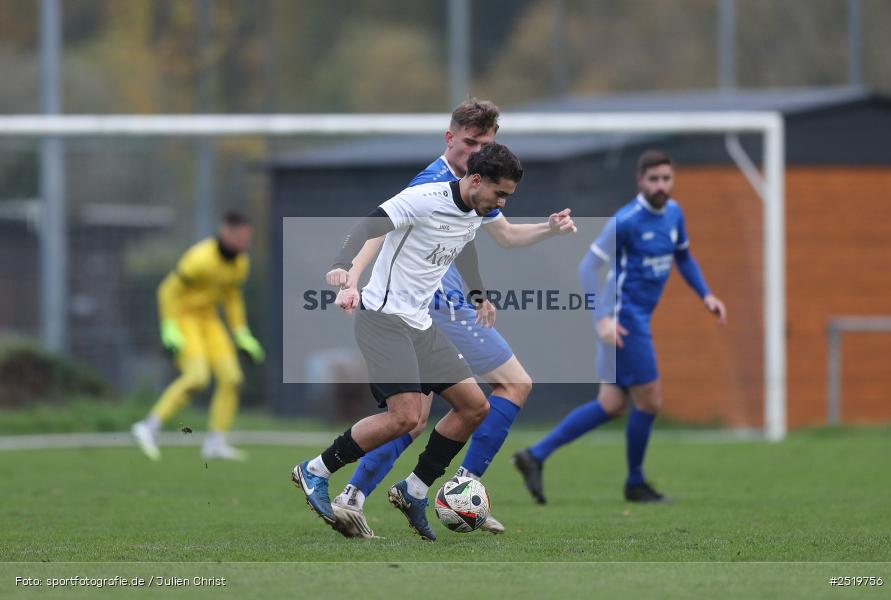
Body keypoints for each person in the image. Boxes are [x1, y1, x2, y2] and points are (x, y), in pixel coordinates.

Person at [328, 99, 576, 538]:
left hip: (445, 305)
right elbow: (378, 230)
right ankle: (461, 490)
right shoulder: (435, 182)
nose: (475, 150)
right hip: (433, 307)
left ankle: (354, 496)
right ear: (450, 139)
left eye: (485, 143)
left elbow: (497, 236)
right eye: (469, 142)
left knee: (414, 415)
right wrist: (352, 276)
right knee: (512, 384)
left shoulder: (478, 183)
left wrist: (547, 230)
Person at [292, 142, 524, 541]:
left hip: (419, 322)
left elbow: (462, 249)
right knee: (405, 417)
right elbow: (370, 224)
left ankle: (413, 490)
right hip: (383, 318)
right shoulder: (423, 198)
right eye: (499, 193)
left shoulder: (474, 212)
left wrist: (479, 295)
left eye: (507, 196)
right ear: (475, 179)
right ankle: (315, 470)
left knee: (474, 407)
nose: (501, 202)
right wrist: (342, 268)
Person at [514, 150, 726, 504]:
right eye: (654, 179)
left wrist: (707, 295)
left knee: (611, 403)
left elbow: (683, 257)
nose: (661, 185)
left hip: (634, 319)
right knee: (650, 401)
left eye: (666, 179)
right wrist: (603, 320)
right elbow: (587, 268)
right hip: (625, 321)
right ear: (640, 180)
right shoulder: (626, 221)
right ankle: (635, 483)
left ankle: (535, 455)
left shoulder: (674, 215)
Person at [131, 211, 265, 461]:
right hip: (184, 318)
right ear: (225, 233)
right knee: (197, 377)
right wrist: (169, 327)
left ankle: (215, 442)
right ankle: (148, 427)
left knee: (232, 378)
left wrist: (241, 333)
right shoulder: (200, 259)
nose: (244, 243)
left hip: (209, 320)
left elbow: (232, 298)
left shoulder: (240, 263)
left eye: (247, 238)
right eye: (240, 237)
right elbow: (168, 290)